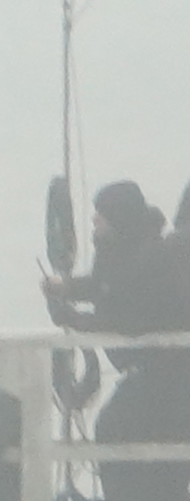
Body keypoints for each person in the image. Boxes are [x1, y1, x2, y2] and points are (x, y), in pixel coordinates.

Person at [42, 181, 190, 501]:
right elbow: (103, 286)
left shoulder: (152, 259)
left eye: (101, 217)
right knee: (130, 436)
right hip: (146, 373)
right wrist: (67, 288)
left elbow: (124, 319)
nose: (94, 222)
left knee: (115, 429)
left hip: (169, 374)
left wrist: (71, 317)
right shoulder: (121, 249)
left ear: (119, 219)